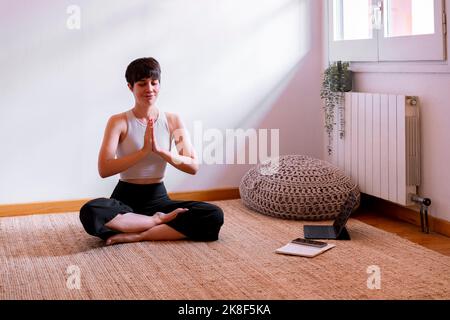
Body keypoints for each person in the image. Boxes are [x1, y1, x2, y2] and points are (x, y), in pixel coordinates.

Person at [79, 57, 224, 245]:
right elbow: (104, 169)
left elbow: (193, 166)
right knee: (91, 211)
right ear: (130, 87)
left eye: (154, 83)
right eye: (142, 84)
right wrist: (143, 152)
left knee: (213, 214)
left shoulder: (172, 120)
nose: (149, 89)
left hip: (159, 199)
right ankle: (154, 222)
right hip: (125, 199)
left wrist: (161, 151)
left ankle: (139, 234)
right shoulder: (118, 121)